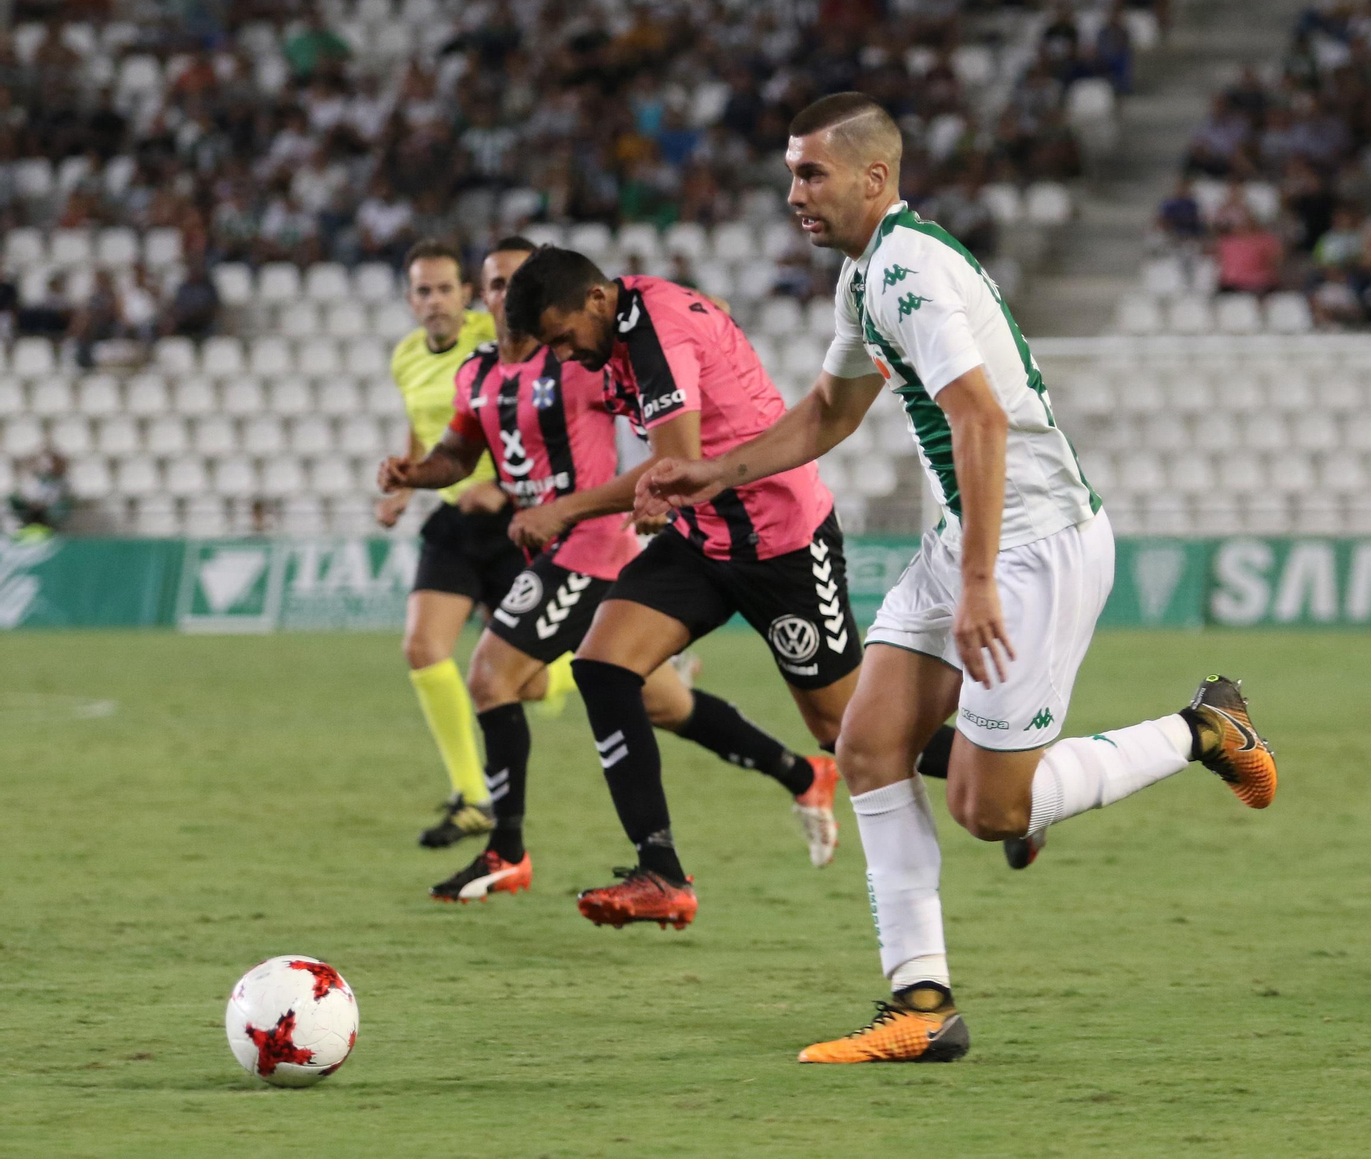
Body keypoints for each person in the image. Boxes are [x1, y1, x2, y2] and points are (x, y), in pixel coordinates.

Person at [638, 92, 1279, 1063]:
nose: (793, 193)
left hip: (1033, 547)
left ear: (874, 176)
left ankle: (1205, 729)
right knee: (866, 748)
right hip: (970, 537)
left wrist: (977, 583)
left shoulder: (910, 274)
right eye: (789, 172)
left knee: (991, 811)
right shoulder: (866, 277)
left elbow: (979, 418)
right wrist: (712, 471)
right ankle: (920, 1006)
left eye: (810, 173)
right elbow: (827, 411)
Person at [498, 244, 960, 928]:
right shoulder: (622, 324)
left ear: (597, 300)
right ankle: (660, 870)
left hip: (781, 541)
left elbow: (676, 466)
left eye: (566, 338)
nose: (566, 357)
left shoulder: (652, 327)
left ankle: (1013, 777)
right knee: (601, 665)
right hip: (703, 538)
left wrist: (564, 510)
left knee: (849, 731)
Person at [379, 237, 844, 905]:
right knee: (659, 702)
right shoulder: (477, 373)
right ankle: (801, 773)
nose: (506, 295)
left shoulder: (580, 361)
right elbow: (458, 450)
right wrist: (415, 474)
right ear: (485, 298)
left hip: (594, 541)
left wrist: (702, 318)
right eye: (497, 283)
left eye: (517, 281)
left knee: (492, 673)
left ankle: (506, 849)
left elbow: (669, 368)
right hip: (549, 537)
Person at [380, 239, 533, 848]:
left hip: (517, 513)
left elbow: (534, 414)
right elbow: (423, 429)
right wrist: (405, 482)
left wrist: (501, 482)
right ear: (410, 298)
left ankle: (646, 656)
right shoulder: (405, 358)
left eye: (446, 289)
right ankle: (473, 797)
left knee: (531, 683)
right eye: (423, 290)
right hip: (451, 516)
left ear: (467, 294)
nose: (435, 301)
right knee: (422, 646)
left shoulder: (495, 339)